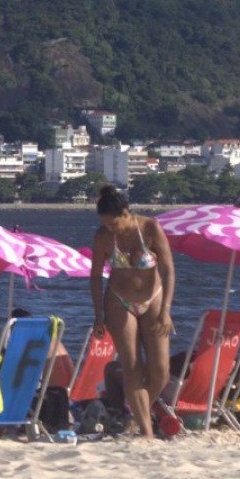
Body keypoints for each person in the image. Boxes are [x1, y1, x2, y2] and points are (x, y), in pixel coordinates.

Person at [88, 184, 175, 439]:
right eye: (105, 224)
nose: (110, 228)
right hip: (118, 300)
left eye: (114, 223)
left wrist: (166, 310)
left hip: (154, 298)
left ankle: (138, 411)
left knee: (160, 370)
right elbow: (95, 277)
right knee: (132, 365)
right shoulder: (103, 236)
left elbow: (168, 270)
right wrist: (98, 315)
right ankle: (146, 433)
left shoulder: (150, 228)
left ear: (126, 213)